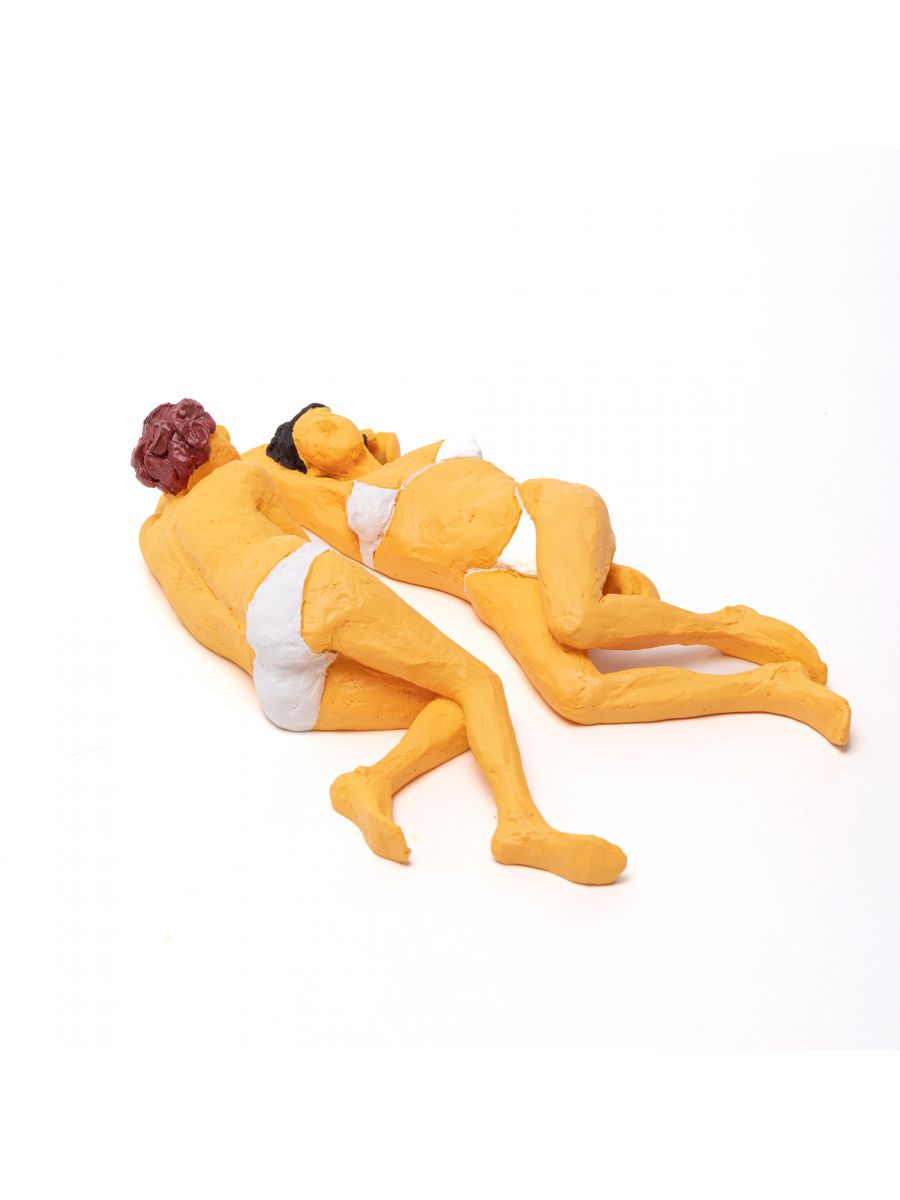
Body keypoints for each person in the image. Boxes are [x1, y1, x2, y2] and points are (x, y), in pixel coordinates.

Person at [132, 399, 625, 885]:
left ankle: (371, 783)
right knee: (477, 683)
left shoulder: (156, 536)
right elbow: (295, 540)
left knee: (458, 708)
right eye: (218, 433)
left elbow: (199, 617)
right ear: (202, 444)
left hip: (268, 672)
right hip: (310, 589)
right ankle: (519, 824)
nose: (228, 438)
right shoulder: (241, 476)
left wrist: (268, 649)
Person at [244, 404, 851, 744]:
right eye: (313, 432)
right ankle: (771, 688)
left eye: (329, 415)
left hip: (540, 511)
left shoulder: (425, 453)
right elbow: (259, 473)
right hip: (491, 579)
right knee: (576, 696)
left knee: (576, 620)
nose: (332, 423)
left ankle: (726, 626)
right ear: (311, 467)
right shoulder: (347, 517)